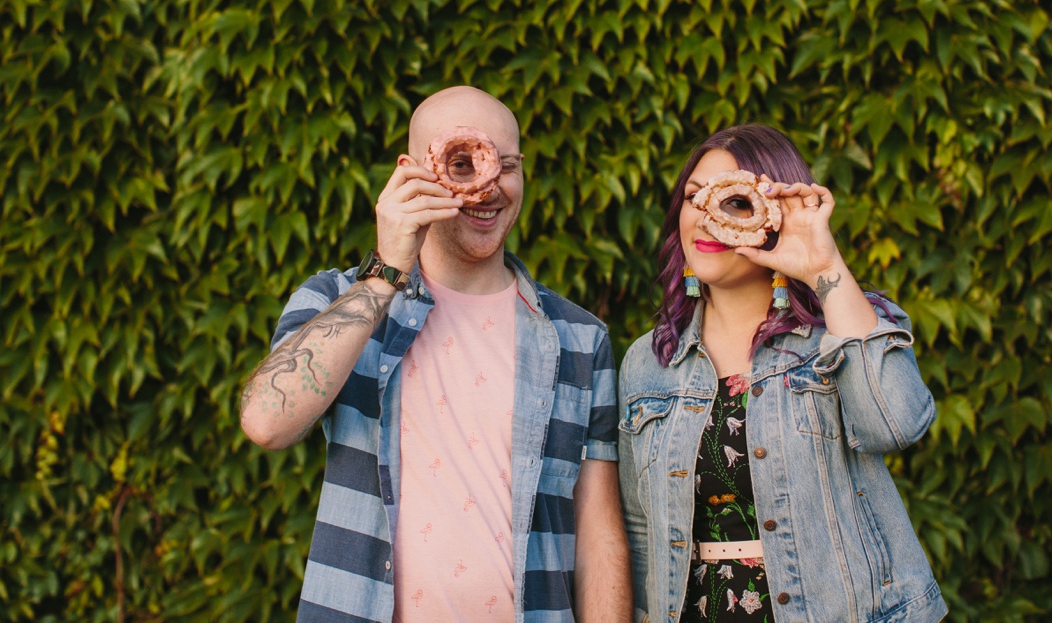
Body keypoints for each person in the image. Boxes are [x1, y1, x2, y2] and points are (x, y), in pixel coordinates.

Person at [240, 86, 631, 623]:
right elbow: (266, 423)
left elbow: (598, 536)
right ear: (411, 172)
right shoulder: (337, 300)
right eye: (462, 164)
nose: (489, 186)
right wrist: (383, 274)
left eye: (507, 165)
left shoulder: (580, 338)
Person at [618, 124, 947, 623]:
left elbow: (895, 425)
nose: (705, 219)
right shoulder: (649, 361)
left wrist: (822, 265)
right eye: (691, 198)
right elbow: (642, 530)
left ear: (772, 216)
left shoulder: (841, 326)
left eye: (731, 202)